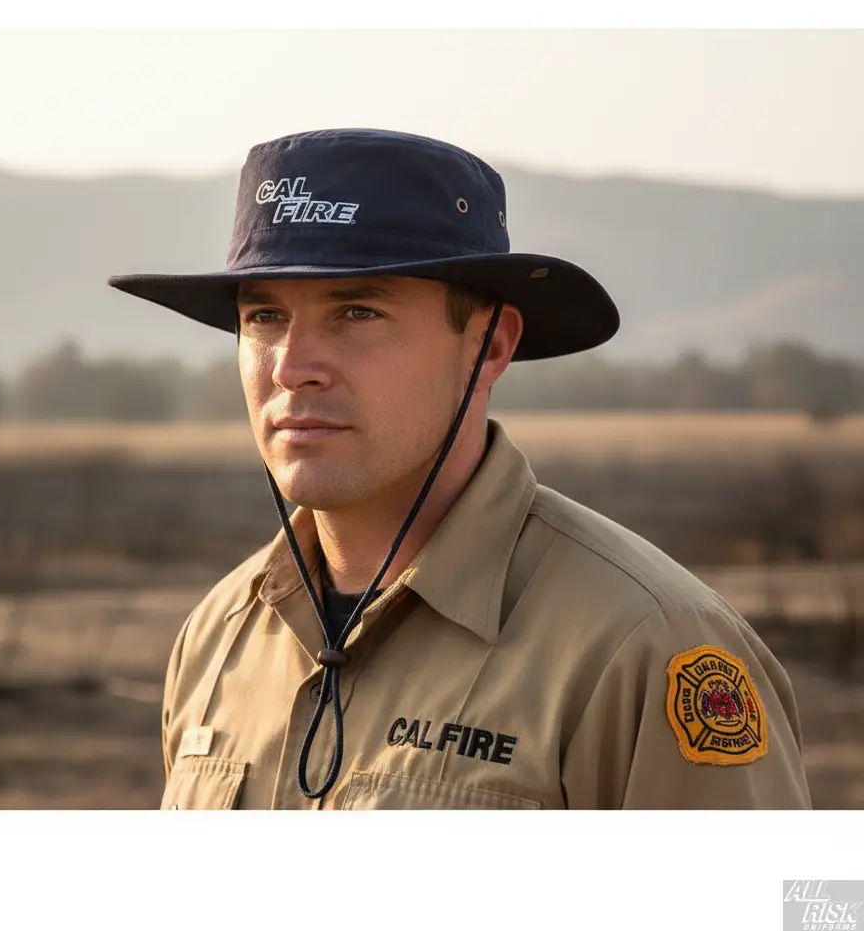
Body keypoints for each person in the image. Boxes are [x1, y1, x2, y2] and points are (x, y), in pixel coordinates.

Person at [109, 128, 812, 810]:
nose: (293, 368)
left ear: (490, 345)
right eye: (264, 317)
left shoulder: (644, 645)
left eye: (357, 312)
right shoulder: (219, 636)